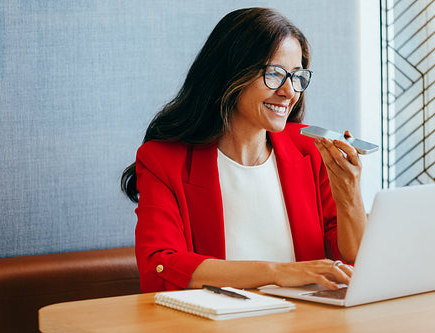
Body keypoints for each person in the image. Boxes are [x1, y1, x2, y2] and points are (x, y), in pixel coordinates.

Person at [121, 7, 366, 293]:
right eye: (274, 74)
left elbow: (352, 259)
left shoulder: (309, 148)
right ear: (230, 74)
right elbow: (160, 266)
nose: (289, 92)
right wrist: (277, 273)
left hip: (307, 320)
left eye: (297, 76)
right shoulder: (163, 160)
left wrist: (349, 195)